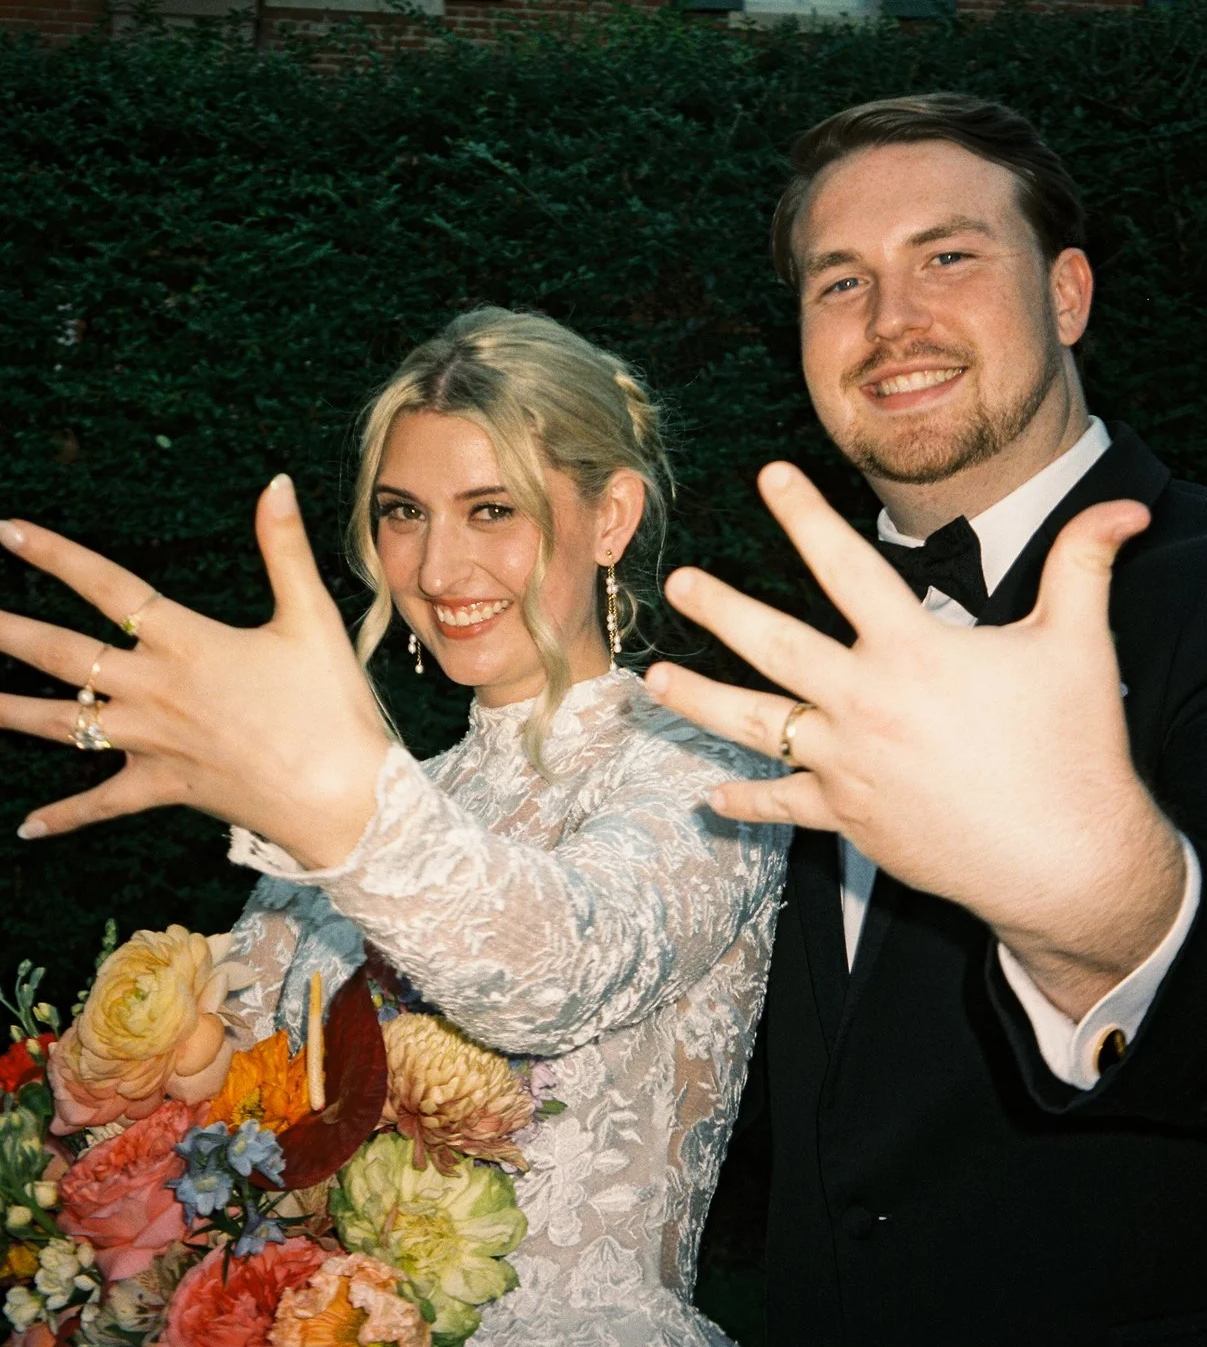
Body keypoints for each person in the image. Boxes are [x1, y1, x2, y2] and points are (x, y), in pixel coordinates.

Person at [0, 307, 790, 1347]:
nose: (436, 568)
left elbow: (558, 962)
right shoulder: (367, 799)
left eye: (492, 509)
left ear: (612, 518)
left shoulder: (706, 771)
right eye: (403, 513)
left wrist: (333, 801)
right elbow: (230, 1129)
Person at [646, 94, 1207, 1346]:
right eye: (838, 281)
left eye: (947, 257)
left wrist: (1115, 926)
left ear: (1065, 297)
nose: (891, 322)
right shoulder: (792, 664)